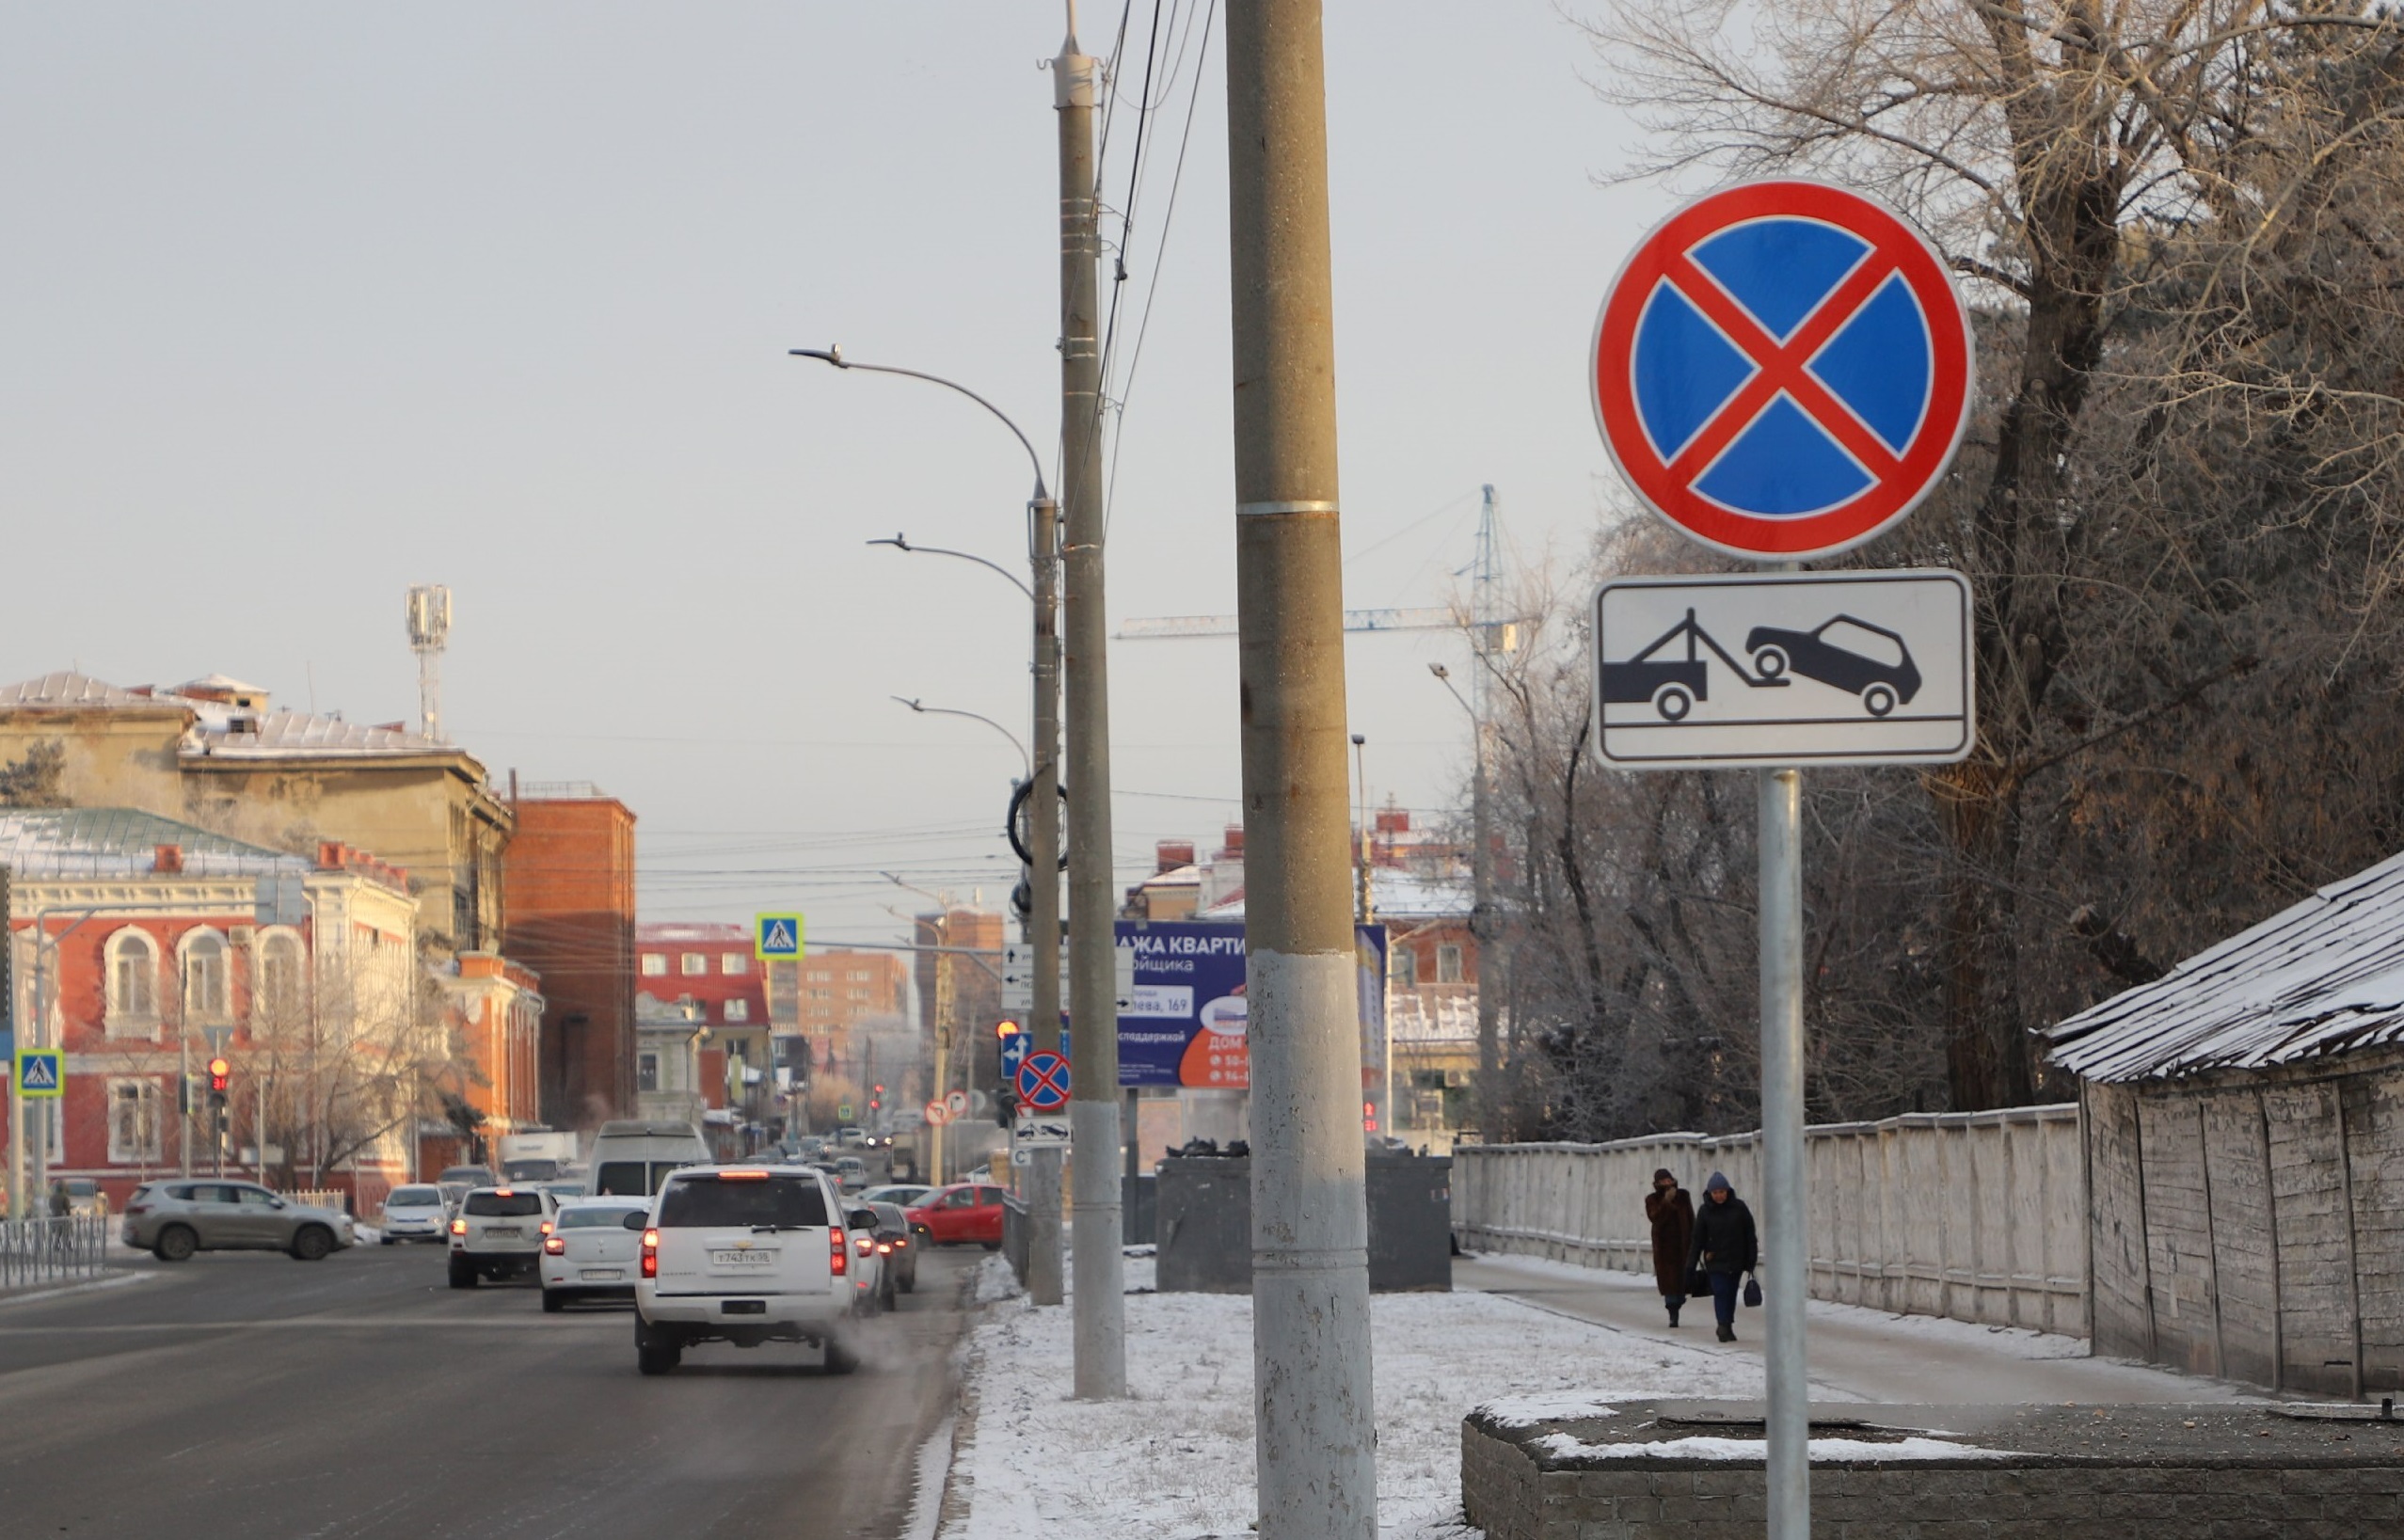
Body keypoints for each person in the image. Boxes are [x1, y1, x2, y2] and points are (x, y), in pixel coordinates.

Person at [1685, 1170, 1758, 1342]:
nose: (1719, 1196)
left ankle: (1727, 1324)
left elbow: (1749, 1234)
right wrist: (1690, 1264)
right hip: (1715, 1260)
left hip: (1736, 1259)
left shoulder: (1739, 1208)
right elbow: (1697, 1239)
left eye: (1722, 1192)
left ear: (1727, 1191)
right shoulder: (1705, 1211)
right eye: (1716, 1192)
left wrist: (1751, 1259)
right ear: (1710, 1193)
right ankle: (1722, 1326)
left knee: (1731, 1293)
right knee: (1721, 1291)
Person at [1646, 1168, 1695, 1326]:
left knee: (1682, 1284)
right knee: (1670, 1285)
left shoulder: (1683, 1196)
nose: (1667, 1183)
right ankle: (1673, 1314)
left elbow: (1690, 1217)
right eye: (1663, 1181)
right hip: (1665, 1249)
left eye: (1669, 1180)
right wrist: (1666, 1202)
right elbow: (1655, 1218)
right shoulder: (1652, 1199)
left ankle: (1677, 1304)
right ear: (1657, 1184)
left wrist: (1695, 1240)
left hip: (1683, 1246)